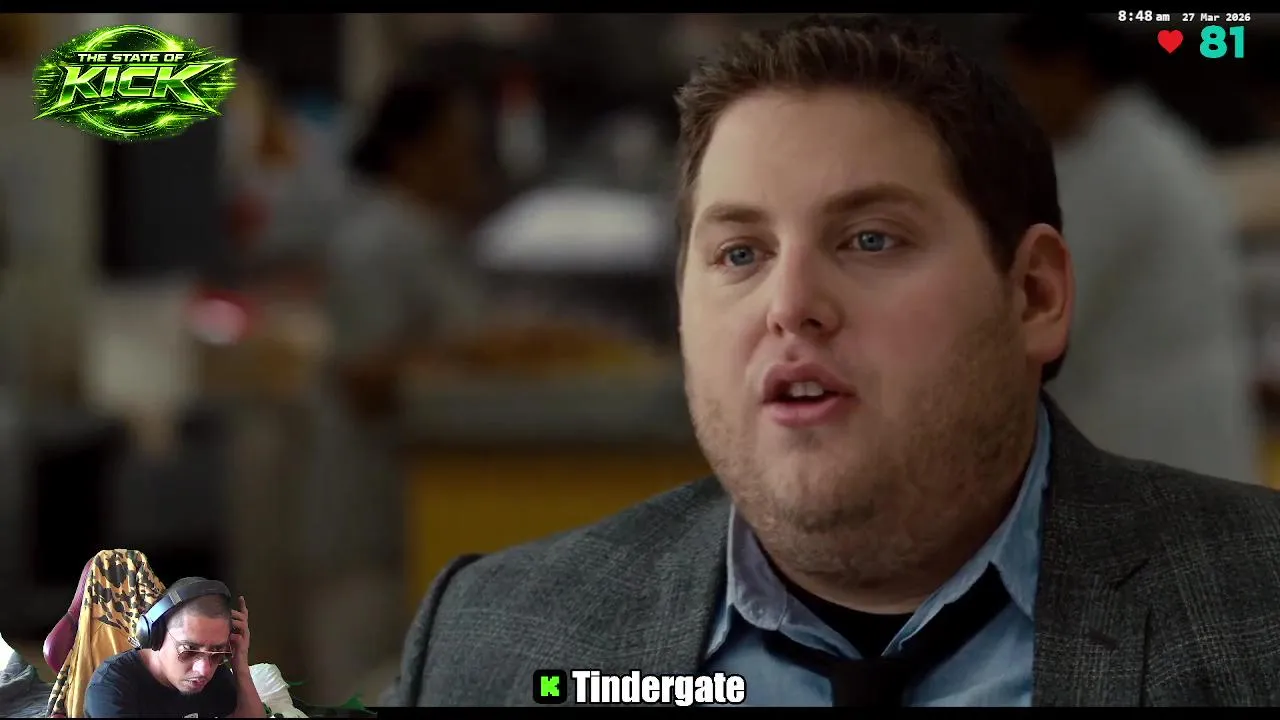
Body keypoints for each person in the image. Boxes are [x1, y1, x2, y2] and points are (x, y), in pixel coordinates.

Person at [384, 14, 1280, 707]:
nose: (790, 304)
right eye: (740, 253)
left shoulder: (1254, 616)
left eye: (871, 239)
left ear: (1035, 295)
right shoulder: (500, 640)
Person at [1003, 14, 1260, 483]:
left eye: (1027, 80)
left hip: (1149, 420)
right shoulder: (1137, 145)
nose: (1023, 98)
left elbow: (1052, 303)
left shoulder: (1122, 167)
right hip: (1168, 414)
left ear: (1069, 71)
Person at [301, 76, 491, 695]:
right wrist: (473, 358)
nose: (471, 161)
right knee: (361, 681)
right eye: (458, 144)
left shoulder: (429, 238)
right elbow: (362, 375)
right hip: (368, 525)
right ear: (413, 150)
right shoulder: (374, 241)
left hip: (417, 522)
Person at [84, 577, 264, 717]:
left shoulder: (216, 674)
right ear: (156, 635)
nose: (204, 670)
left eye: (217, 652)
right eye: (189, 649)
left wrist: (240, 662)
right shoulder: (111, 687)